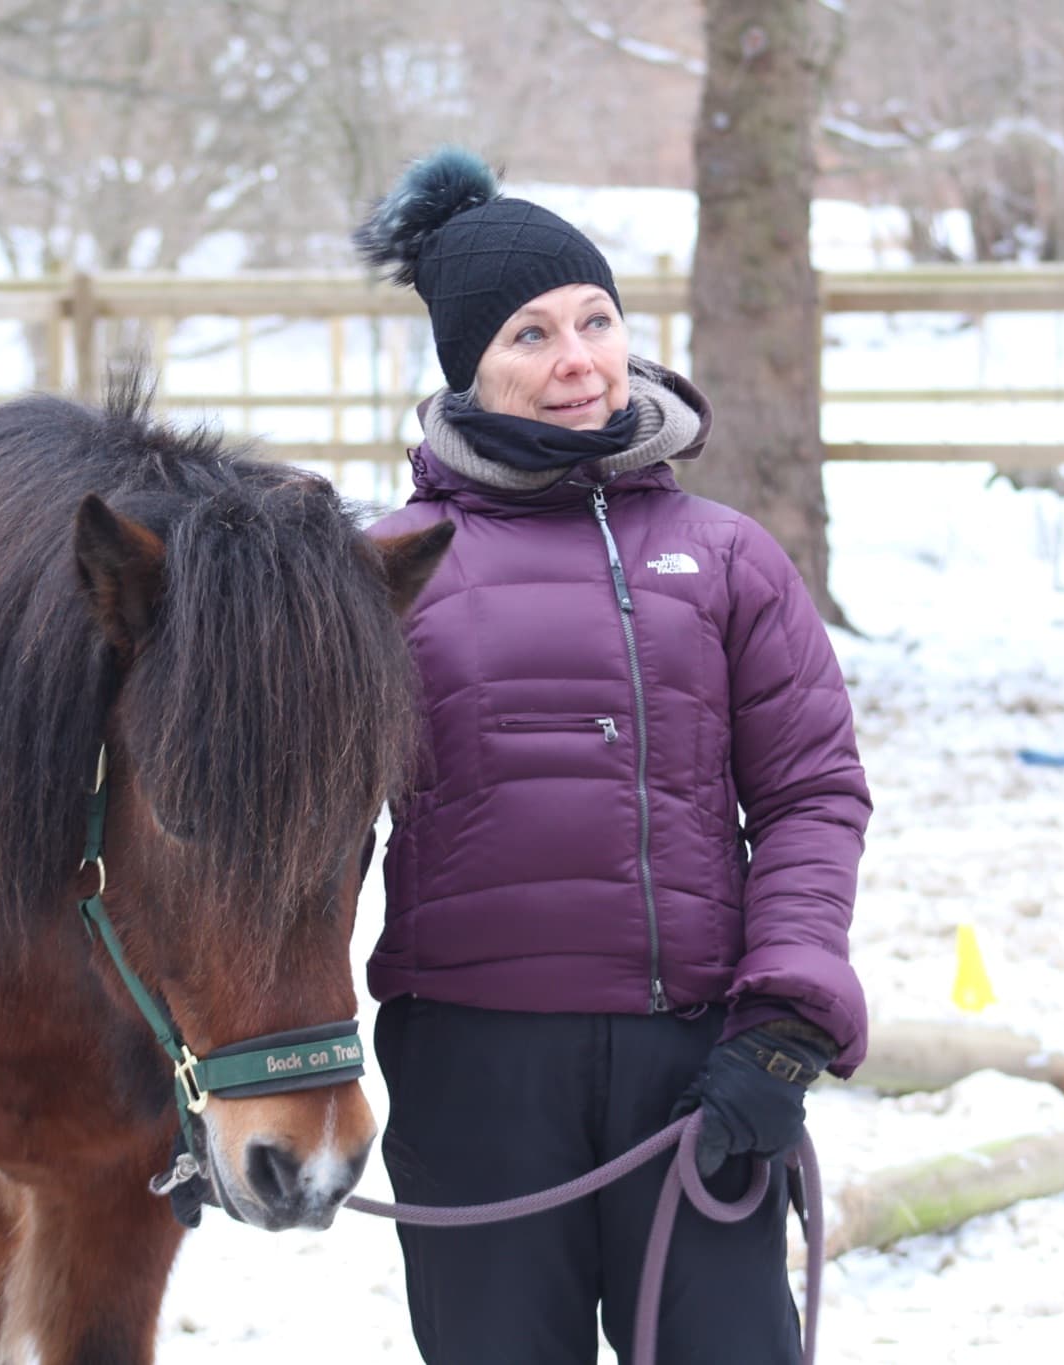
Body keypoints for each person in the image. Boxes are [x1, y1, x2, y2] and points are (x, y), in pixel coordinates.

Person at [352, 146, 870, 1364]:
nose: (577, 361)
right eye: (528, 336)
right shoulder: (381, 571)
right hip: (474, 1071)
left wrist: (783, 1025)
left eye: (595, 320)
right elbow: (298, 841)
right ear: (467, 370)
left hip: (695, 1068)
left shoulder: (728, 556)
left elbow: (810, 795)